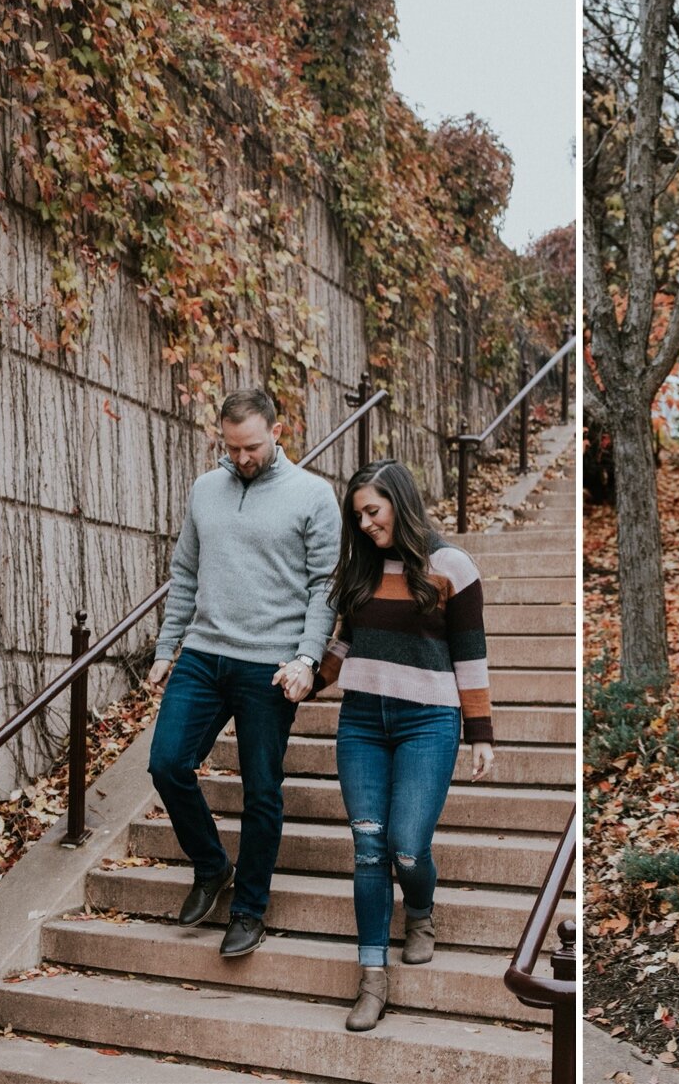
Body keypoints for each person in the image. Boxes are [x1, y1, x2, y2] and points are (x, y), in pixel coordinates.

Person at [146, 389, 340, 958]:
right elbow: (184, 573)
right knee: (167, 763)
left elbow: (324, 585)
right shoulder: (206, 489)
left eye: (251, 446)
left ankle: (250, 909)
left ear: (277, 431)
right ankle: (212, 865)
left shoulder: (313, 495)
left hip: (271, 664)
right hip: (203, 655)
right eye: (231, 448)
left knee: (261, 791)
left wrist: (307, 658)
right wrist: (167, 646)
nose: (242, 457)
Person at [312, 459, 496, 1032]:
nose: (365, 524)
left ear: (401, 502)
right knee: (369, 848)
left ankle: (420, 912)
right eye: (358, 515)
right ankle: (372, 977)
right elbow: (345, 646)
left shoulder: (452, 567)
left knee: (407, 846)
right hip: (362, 721)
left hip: (428, 723)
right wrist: (307, 678)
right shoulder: (359, 568)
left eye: (373, 510)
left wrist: (480, 731)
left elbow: (469, 653)